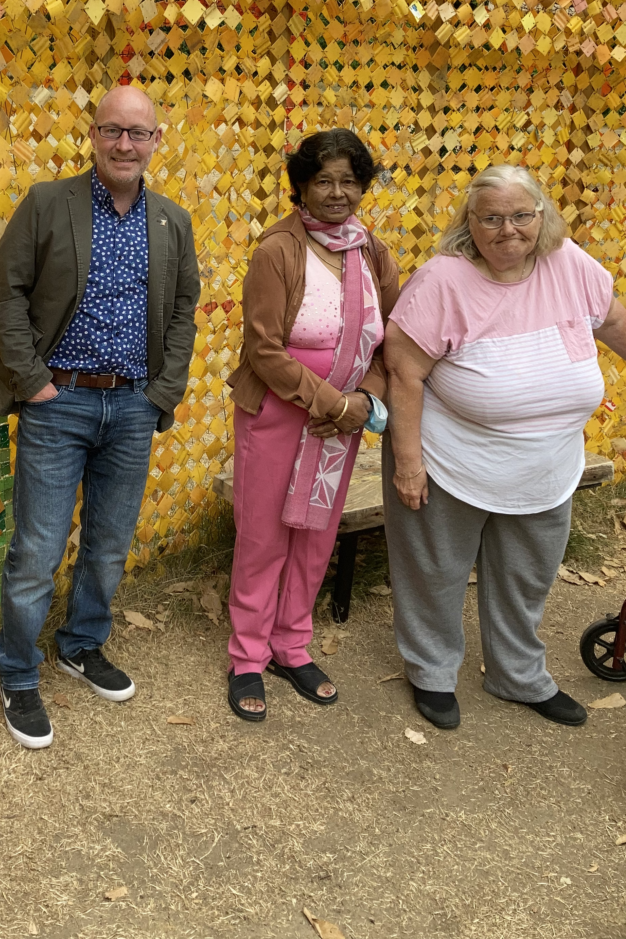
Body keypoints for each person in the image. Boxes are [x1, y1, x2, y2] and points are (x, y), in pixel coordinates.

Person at [0, 85, 201, 749]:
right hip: (60, 403)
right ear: (94, 135)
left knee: (109, 542)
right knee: (37, 550)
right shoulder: (50, 203)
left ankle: (81, 644)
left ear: (157, 142)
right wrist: (35, 382)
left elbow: (185, 307)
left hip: (132, 407)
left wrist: (161, 394)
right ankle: (18, 672)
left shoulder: (170, 220)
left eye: (139, 133)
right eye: (113, 130)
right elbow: (5, 290)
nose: (125, 144)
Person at [384, 164, 626, 730]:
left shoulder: (570, 263)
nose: (507, 229)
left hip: (547, 467)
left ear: (541, 217)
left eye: (520, 215)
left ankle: (517, 674)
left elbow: (614, 322)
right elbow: (402, 372)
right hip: (451, 462)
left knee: (527, 576)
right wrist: (408, 465)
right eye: (490, 217)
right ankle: (432, 673)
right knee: (435, 573)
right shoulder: (444, 280)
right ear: (470, 222)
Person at [224, 130, 399, 721]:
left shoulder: (372, 252)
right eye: (324, 180)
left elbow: (390, 343)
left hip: (342, 421)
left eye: (349, 180)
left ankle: (290, 645)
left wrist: (363, 401)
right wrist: (332, 403)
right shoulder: (278, 250)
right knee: (264, 535)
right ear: (301, 186)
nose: (337, 192)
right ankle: (247, 655)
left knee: (315, 533)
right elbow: (264, 349)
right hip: (279, 413)